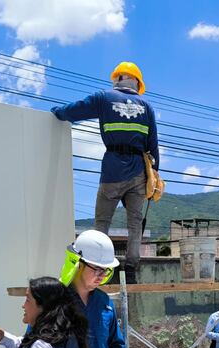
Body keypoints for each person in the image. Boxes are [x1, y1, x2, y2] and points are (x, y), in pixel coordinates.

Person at [51, 62, 159, 284]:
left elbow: (73, 111)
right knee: (135, 223)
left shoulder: (103, 98)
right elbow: (153, 147)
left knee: (102, 222)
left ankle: (98, 266)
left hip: (112, 169)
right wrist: (153, 176)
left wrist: (57, 113)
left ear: (117, 78)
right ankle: (130, 270)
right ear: (137, 83)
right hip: (139, 171)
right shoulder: (147, 107)